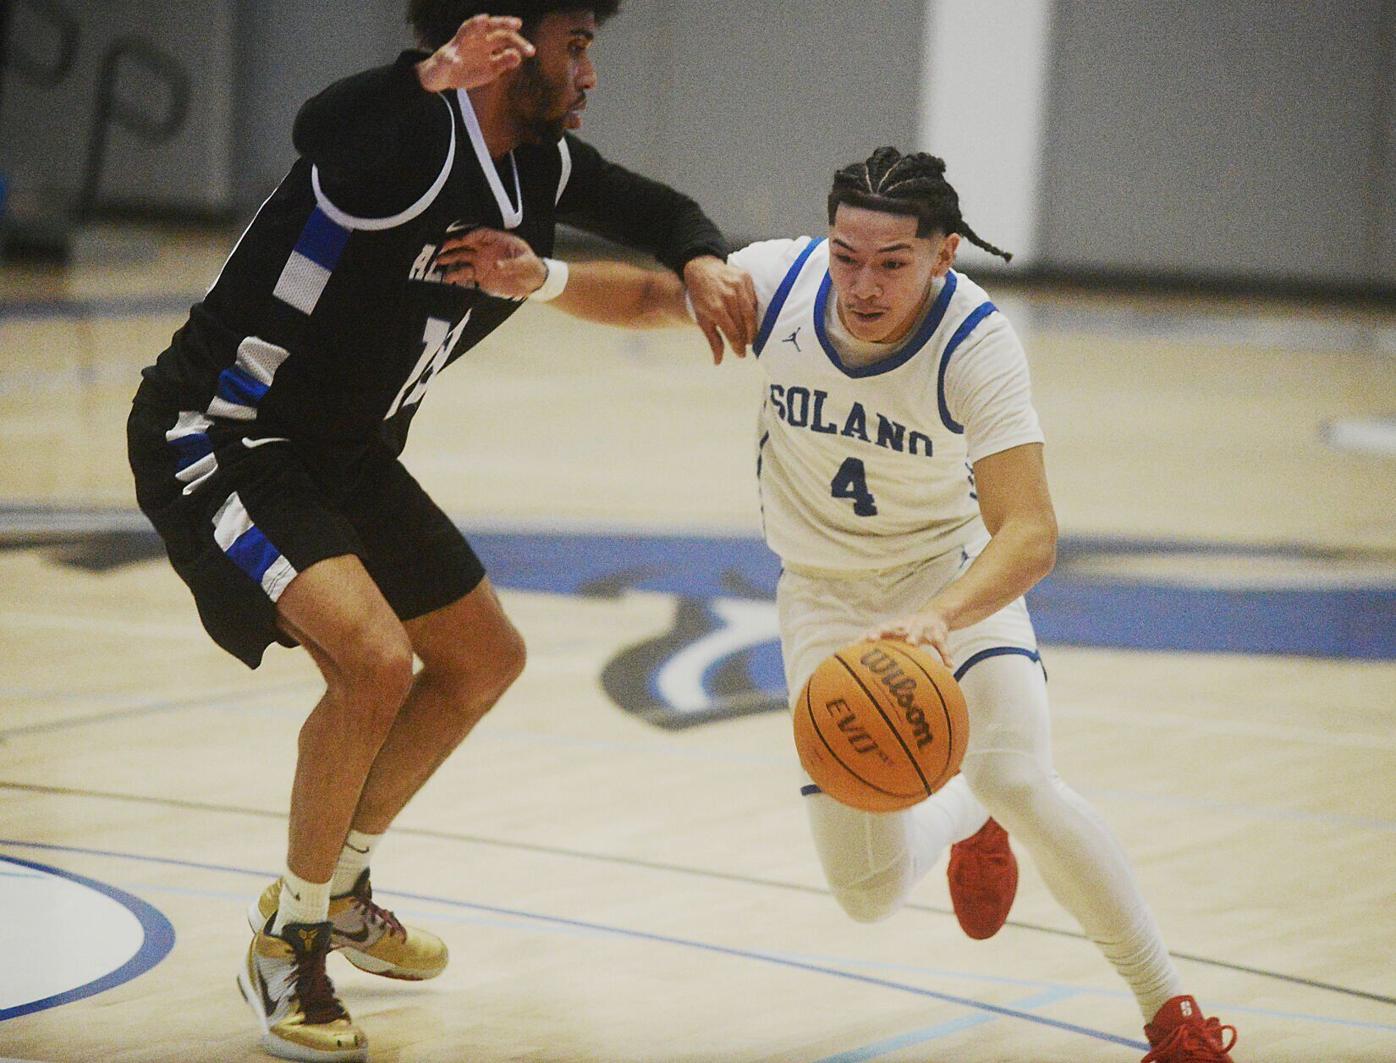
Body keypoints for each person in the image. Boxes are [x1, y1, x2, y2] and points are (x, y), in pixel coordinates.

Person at [446, 146, 1240, 1063]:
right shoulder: (782, 283)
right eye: (846, 255)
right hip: (821, 599)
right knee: (865, 892)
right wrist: (540, 276)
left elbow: (1029, 532)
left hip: (947, 580)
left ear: (943, 255)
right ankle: (968, 820)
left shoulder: (977, 344)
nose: (861, 284)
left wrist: (941, 616)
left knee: (1018, 776)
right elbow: (658, 299)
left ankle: (1174, 1020)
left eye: (891, 262)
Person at [126, 4, 756, 1060]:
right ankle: (288, 940)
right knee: (373, 663)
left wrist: (697, 257)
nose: (590, 69)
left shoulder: (537, 169)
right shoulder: (400, 143)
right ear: (507, 47)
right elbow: (318, 125)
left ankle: (342, 878)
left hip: (344, 449)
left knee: (481, 659)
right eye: (577, 44)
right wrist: (425, 76)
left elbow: (660, 205)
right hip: (228, 431)